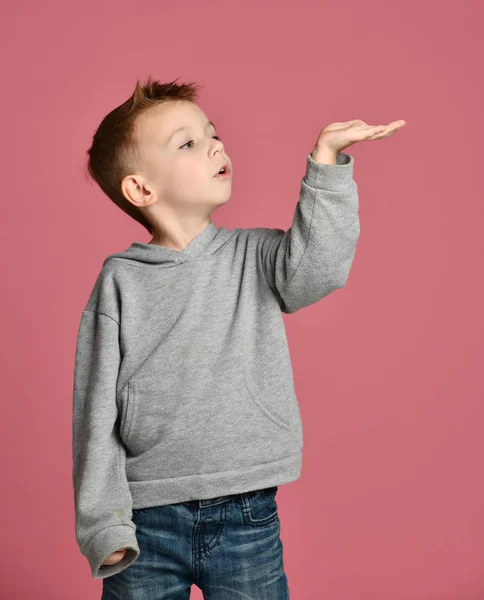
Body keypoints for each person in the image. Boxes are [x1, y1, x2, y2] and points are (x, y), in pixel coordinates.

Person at [72, 74, 405, 598]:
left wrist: (326, 164)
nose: (216, 145)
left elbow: (318, 269)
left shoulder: (255, 256)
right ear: (141, 188)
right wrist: (102, 524)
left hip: (246, 512)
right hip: (143, 522)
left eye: (212, 133)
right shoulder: (120, 281)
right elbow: (94, 412)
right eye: (188, 143)